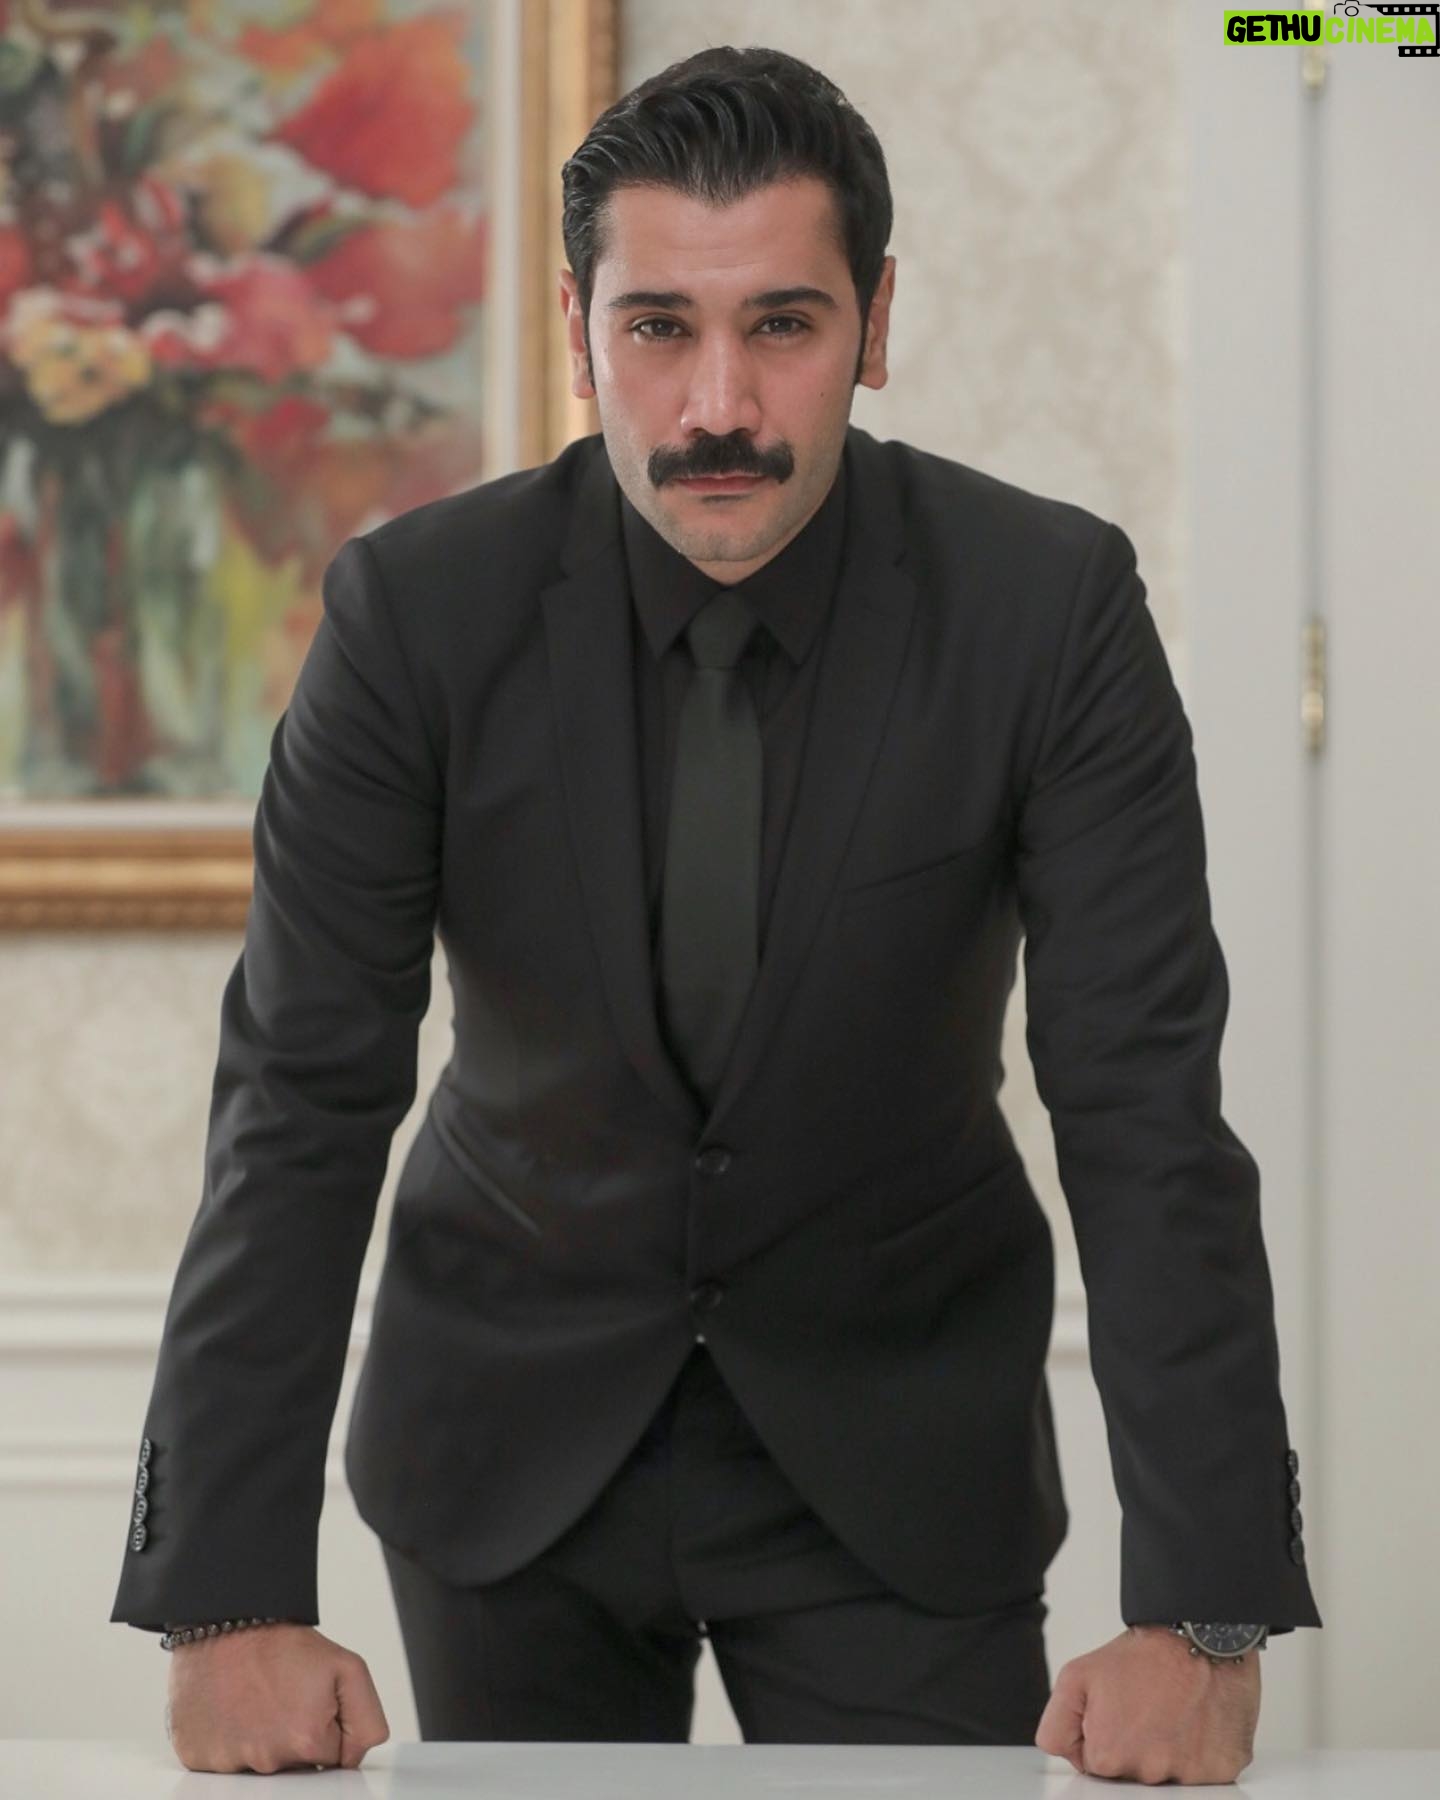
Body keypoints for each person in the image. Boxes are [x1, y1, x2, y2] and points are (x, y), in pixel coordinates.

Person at [109, 44, 1321, 1782]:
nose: (719, 406)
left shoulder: (1048, 610)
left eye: (785, 325)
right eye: (660, 327)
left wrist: (1207, 1612)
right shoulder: (412, 617)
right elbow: (299, 1096)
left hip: (903, 1458)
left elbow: (1144, 1107)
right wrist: (221, 1595)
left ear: (876, 322)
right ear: (577, 328)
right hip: (504, 1448)